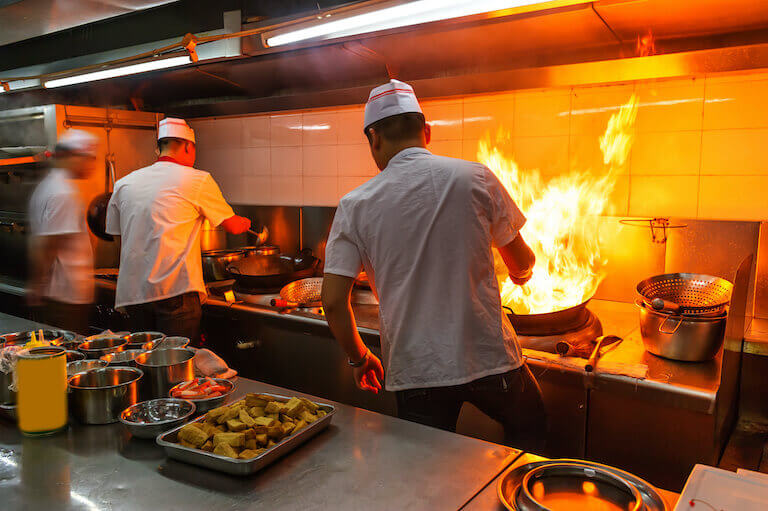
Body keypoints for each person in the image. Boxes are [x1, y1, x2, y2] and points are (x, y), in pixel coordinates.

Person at [321, 80, 546, 452]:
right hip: (490, 359)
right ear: (427, 132)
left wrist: (359, 358)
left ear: (373, 139)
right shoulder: (476, 177)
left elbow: (332, 301)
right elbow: (521, 261)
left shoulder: (355, 205)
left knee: (427, 470)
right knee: (531, 429)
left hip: (416, 371)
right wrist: (522, 275)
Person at [105, 118, 250, 343]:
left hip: (133, 294)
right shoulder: (197, 179)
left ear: (159, 148)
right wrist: (245, 223)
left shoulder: (125, 183)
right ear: (187, 146)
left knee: (143, 363)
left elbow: (117, 235)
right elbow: (232, 226)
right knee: (176, 369)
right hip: (175, 292)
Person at [28, 129, 98, 334]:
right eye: (88, 158)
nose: (90, 165)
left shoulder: (50, 185)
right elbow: (49, 243)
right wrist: (37, 284)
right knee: (67, 356)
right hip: (66, 296)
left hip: (61, 294)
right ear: (71, 156)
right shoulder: (63, 192)